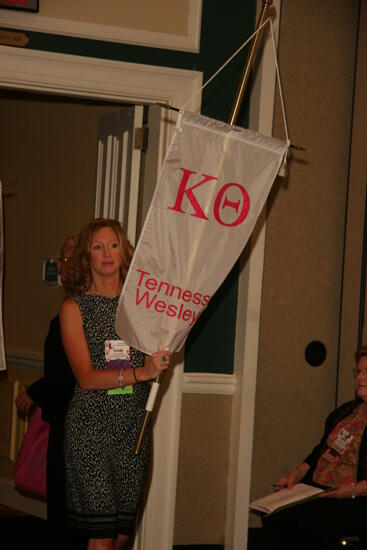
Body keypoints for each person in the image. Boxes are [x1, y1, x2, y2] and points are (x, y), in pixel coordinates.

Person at [60, 218, 171, 550]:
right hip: (89, 432)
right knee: (102, 534)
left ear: (125, 253)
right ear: (86, 258)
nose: (106, 253)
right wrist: (141, 373)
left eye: (113, 245)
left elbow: (155, 359)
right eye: (97, 247)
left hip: (132, 432)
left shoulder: (143, 309)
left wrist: (159, 359)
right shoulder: (73, 308)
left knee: (120, 535)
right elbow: (86, 377)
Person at [15, 235, 84, 549]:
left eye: (67, 259)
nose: (61, 265)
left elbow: (74, 376)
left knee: (73, 522)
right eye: (61, 258)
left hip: (80, 432)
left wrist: (36, 392)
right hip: (67, 426)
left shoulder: (91, 318)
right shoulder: (65, 316)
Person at [261, 346, 367, 550]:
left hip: (352, 497)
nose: (360, 377)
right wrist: (297, 473)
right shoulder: (346, 411)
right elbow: (321, 449)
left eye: (366, 371)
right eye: (358, 371)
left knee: (304, 523)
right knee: (273, 512)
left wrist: (350, 491)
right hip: (318, 488)